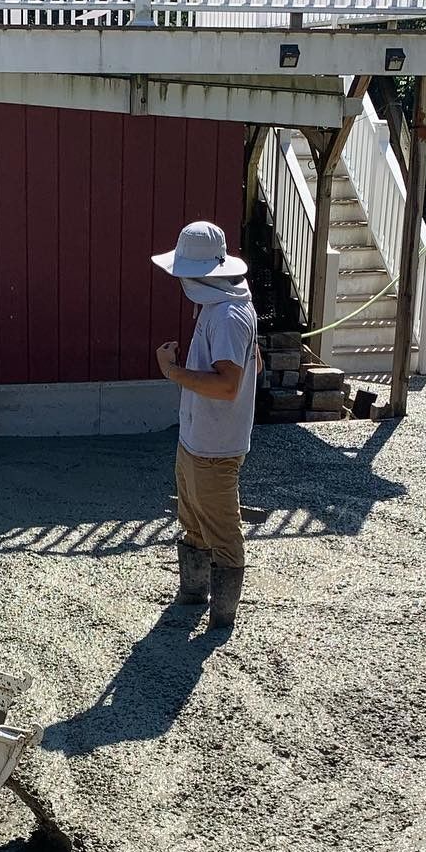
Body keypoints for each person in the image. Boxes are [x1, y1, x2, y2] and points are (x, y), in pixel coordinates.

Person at [152, 220, 259, 630]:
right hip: (198, 435)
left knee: (222, 528)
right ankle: (194, 593)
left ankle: (222, 617)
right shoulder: (224, 306)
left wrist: (172, 372)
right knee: (192, 516)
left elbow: (228, 385)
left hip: (216, 442)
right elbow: (253, 363)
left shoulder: (228, 314)